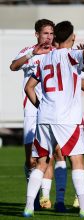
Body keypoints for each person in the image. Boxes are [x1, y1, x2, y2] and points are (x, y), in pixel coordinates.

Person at [23, 11, 84, 217]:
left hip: (45, 117)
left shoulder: (44, 60)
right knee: (77, 160)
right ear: (72, 37)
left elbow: (29, 87)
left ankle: (29, 207)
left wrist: (42, 106)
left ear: (55, 37)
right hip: (66, 119)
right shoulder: (71, 55)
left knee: (42, 162)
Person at [39, 43, 84, 212]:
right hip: (57, 115)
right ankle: (54, 199)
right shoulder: (49, 59)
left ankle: (76, 198)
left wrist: (83, 59)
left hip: (69, 116)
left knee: (70, 157)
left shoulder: (73, 57)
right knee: (56, 155)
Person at [10, 19, 55, 211]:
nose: (49, 37)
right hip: (31, 110)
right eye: (45, 33)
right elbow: (13, 66)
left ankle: (44, 197)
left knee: (48, 156)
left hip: (50, 110)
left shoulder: (56, 53)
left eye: (51, 33)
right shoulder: (29, 51)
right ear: (37, 34)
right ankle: (33, 196)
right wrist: (32, 54)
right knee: (31, 159)